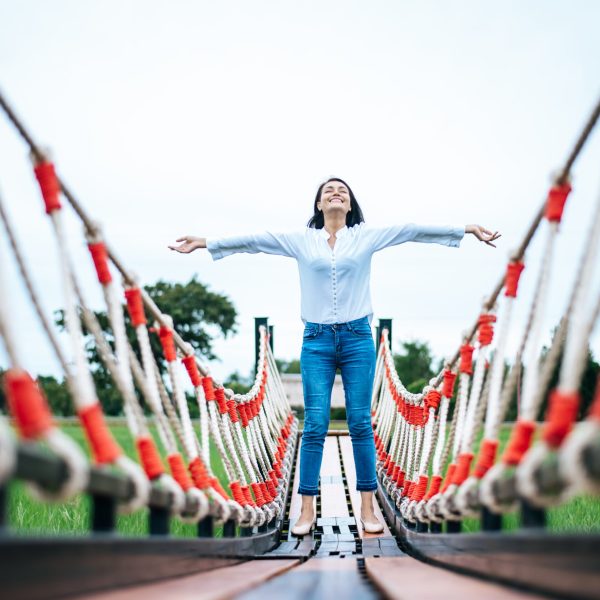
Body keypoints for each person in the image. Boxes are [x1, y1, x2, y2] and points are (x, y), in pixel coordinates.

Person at [169, 177, 500, 535]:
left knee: (360, 423)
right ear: (318, 205)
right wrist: (206, 243)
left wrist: (465, 229)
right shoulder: (301, 241)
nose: (336, 193)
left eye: (342, 190)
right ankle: (306, 510)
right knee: (315, 424)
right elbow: (254, 240)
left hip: (358, 338)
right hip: (317, 340)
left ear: (350, 203)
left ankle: (368, 509)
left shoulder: (365, 237)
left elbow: (411, 230)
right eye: (328, 190)